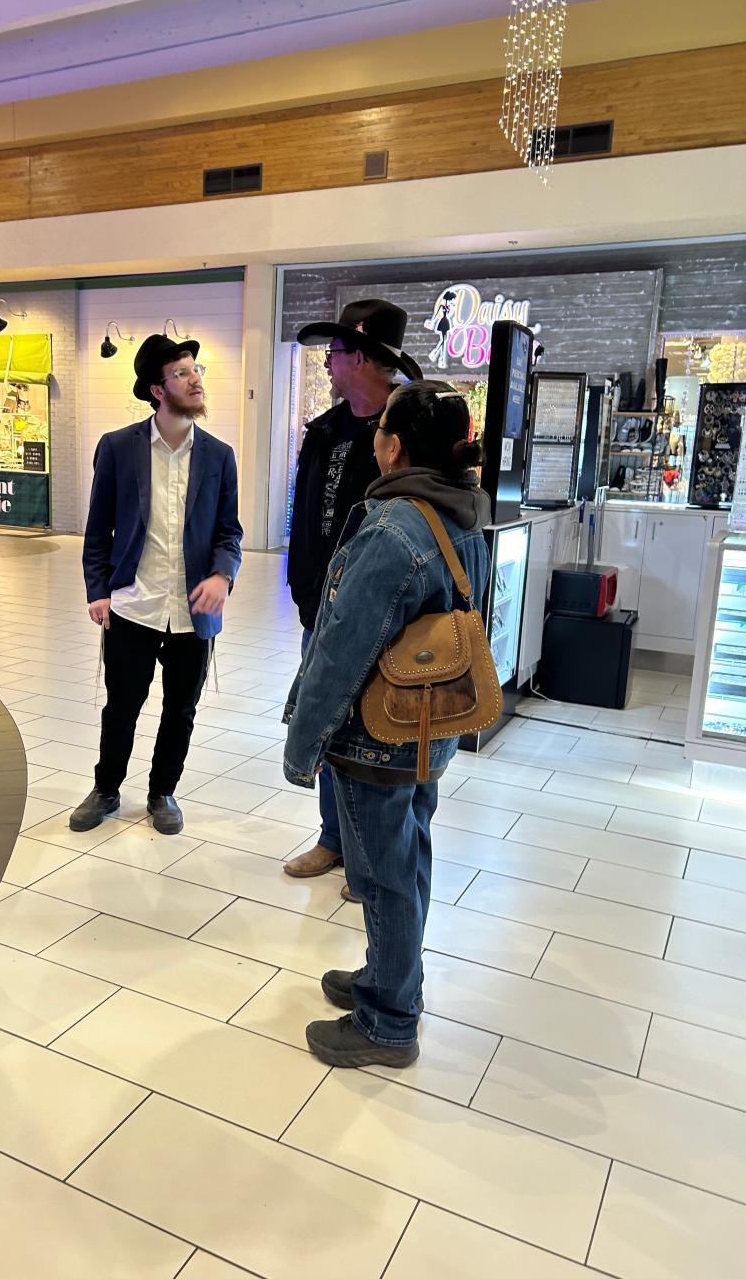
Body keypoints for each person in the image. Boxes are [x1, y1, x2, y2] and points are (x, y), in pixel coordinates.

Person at [283, 381, 490, 1068]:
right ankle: (390, 980)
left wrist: (303, 742)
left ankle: (388, 1022)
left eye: (378, 429)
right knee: (411, 851)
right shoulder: (462, 511)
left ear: (393, 446)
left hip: (378, 732)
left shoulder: (394, 526)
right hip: (430, 723)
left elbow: (342, 646)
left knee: (381, 875)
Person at [70, 333, 242, 837]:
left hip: (193, 611)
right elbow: (98, 525)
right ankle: (106, 789)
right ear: (156, 390)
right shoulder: (119, 447)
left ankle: (162, 791)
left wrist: (221, 574)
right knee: (122, 704)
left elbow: (230, 531)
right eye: (183, 373)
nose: (196, 380)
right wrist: (97, 588)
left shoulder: (219, 455)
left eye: (196, 370)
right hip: (133, 603)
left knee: (180, 709)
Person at [284, 299, 422, 899]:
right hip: (323, 606)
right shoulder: (325, 431)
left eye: (335, 353)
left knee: (380, 731)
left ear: (361, 357)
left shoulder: (408, 432)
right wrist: (301, 587)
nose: (328, 363)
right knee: (329, 719)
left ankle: (375, 855)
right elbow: (307, 517)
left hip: (389, 616)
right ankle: (333, 838)